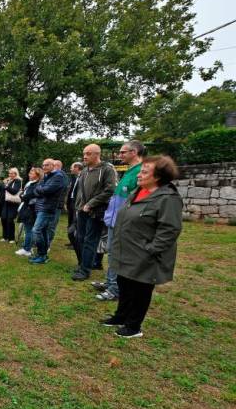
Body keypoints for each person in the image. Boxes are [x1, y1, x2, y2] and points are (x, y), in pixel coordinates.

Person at [101, 156, 182, 338]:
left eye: (145, 172)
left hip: (144, 254)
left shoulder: (167, 198)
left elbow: (170, 229)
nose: (140, 174)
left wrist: (151, 249)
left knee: (140, 290)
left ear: (158, 176)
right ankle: (121, 316)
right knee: (125, 284)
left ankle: (134, 326)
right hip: (127, 251)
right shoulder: (138, 191)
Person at [93, 140, 145, 301]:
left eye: (123, 152)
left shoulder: (141, 171)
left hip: (124, 221)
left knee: (117, 254)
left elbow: (138, 199)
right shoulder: (129, 170)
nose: (119, 155)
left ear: (134, 152)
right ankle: (110, 283)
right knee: (112, 252)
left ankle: (115, 289)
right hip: (114, 219)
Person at [73, 144, 116, 281]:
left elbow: (109, 190)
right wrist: (78, 206)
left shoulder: (107, 169)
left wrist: (91, 204)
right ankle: (84, 264)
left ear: (97, 154)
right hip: (81, 210)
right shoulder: (85, 171)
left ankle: (85, 270)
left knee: (90, 241)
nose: (84, 156)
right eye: (84, 153)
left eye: (88, 153)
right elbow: (80, 191)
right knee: (79, 238)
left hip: (95, 211)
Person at [29, 159, 67, 264]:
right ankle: (43, 255)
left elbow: (46, 190)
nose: (44, 167)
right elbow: (37, 189)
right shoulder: (47, 176)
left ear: (53, 166)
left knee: (36, 230)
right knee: (43, 231)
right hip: (41, 206)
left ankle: (42, 254)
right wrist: (40, 190)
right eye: (43, 165)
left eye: (47, 165)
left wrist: (40, 190)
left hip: (48, 208)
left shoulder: (58, 176)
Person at [15, 168, 42, 257]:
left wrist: (23, 196)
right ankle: (28, 247)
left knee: (29, 230)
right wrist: (23, 195)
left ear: (37, 175)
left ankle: (27, 249)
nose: (29, 174)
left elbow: (27, 196)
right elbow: (23, 194)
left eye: (31, 173)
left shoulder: (36, 185)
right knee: (28, 229)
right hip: (28, 207)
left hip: (30, 209)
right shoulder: (31, 184)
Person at [46, 160, 69, 249]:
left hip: (56, 204)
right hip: (48, 204)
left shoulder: (62, 176)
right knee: (45, 224)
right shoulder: (51, 175)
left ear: (57, 166)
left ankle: (48, 244)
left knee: (51, 225)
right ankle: (43, 242)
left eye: (52, 165)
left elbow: (60, 189)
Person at [0, 168, 22, 243]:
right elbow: (1, 189)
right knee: (3, 219)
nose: (9, 175)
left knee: (10, 220)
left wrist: (6, 185)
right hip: (5, 203)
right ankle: (5, 236)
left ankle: (11, 238)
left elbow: (14, 191)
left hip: (13, 203)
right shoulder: (9, 180)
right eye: (9, 173)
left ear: (15, 174)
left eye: (11, 173)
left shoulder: (18, 181)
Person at [65, 162, 84, 258]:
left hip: (78, 204)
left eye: (72, 168)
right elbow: (72, 191)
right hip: (72, 203)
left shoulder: (82, 177)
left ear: (77, 167)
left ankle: (76, 243)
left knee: (74, 226)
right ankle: (73, 242)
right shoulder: (75, 178)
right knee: (71, 223)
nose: (71, 169)